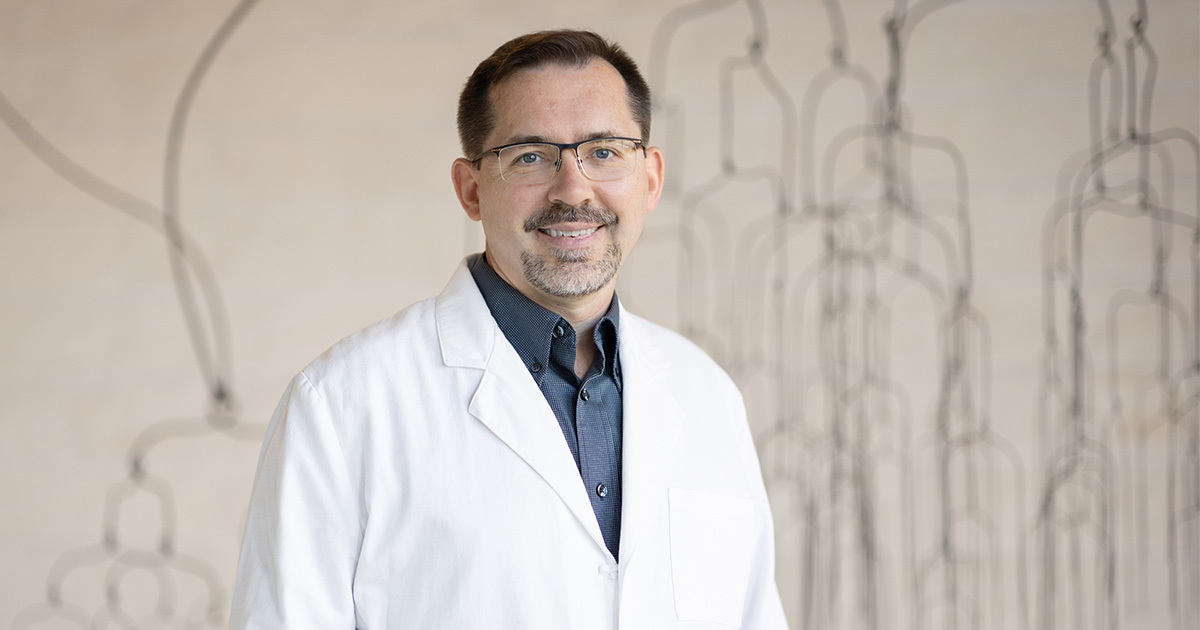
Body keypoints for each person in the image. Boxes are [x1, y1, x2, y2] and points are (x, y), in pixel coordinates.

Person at [231, 29, 788, 629]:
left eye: (604, 151)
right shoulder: (342, 405)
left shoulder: (707, 394)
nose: (573, 190)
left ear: (650, 179)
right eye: (529, 155)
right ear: (471, 190)